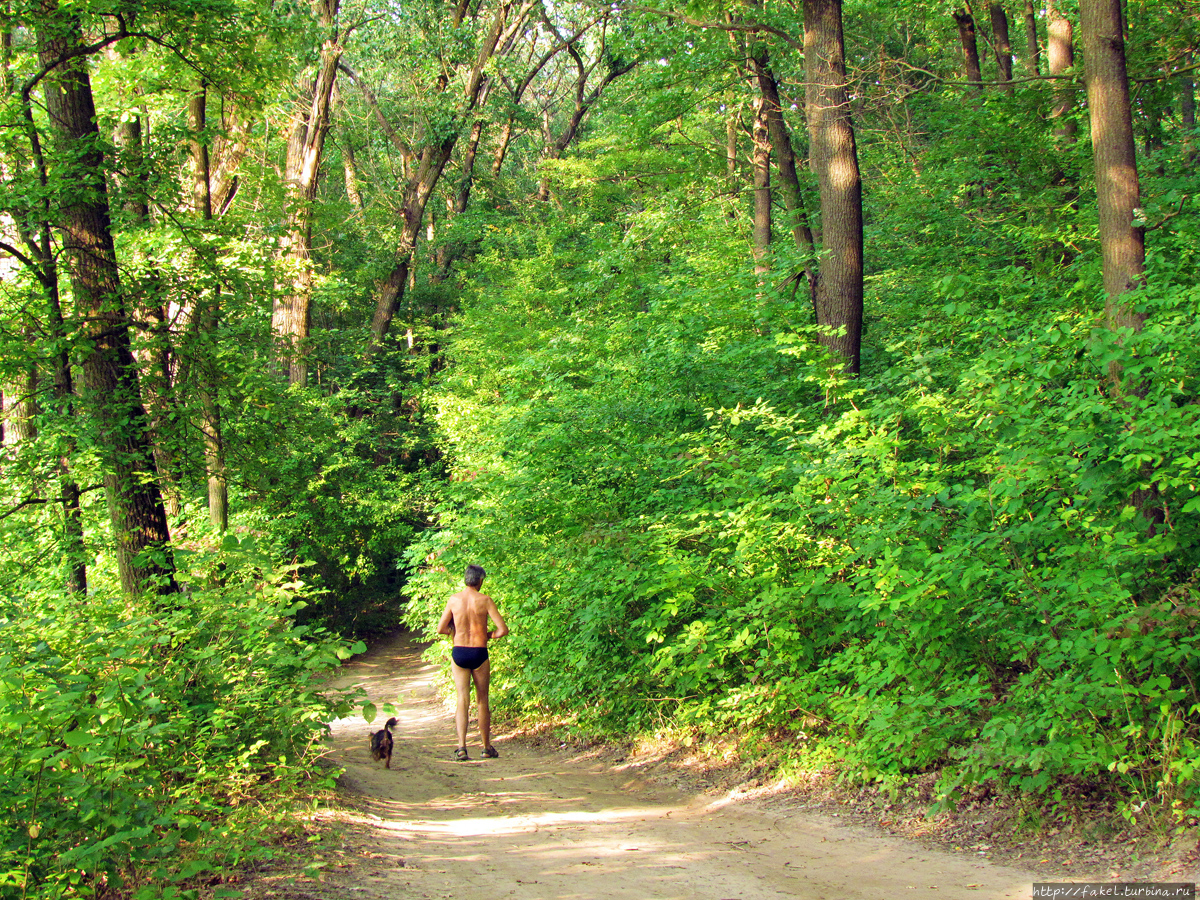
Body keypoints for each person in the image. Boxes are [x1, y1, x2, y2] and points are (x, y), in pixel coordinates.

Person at [436, 564, 508, 760]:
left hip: (459, 652)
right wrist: (485, 635)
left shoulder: (453, 600)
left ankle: (461, 747)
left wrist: (456, 633)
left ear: (465, 579)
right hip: (479, 651)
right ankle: (486, 747)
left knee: (462, 699)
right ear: (481, 580)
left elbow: (441, 629)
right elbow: (502, 630)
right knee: (482, 700)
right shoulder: (485, 600)